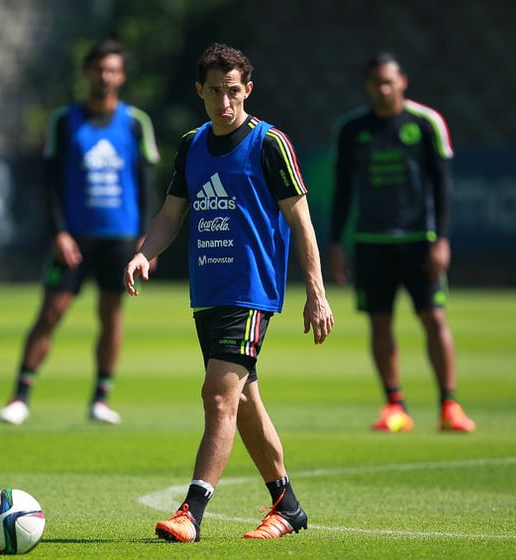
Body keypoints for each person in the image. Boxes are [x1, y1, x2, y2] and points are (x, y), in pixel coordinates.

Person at [124, 42, 334, 542]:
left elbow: (300, 220)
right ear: (200, 91)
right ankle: (288, 506)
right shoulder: (191, 145)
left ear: (248, 90)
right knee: (242, 403)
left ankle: (191, 511)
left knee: (218, 396)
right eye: (215, 91)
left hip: (251, 292)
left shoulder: (268, 144)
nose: (225, 102)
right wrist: (143, 253)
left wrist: (316, 292)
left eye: (233, 91)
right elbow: (171, 216)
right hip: (208, 294)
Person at [0, 39, 160, 426]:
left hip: (120, 237)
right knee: (51, 312)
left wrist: (146, 239)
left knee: (111, 314)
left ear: (121, 76)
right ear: (88, 72)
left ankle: (101, 397)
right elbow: (49, 183)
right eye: (100, 69)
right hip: (74, 237)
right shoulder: (64, 120)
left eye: (113, 70)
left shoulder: (136, 122)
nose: (106, 76)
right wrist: (58, 232)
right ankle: (20, 395)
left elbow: (148, 183)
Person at [329, 51, 476, 433]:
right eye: (376, 81)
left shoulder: (425, 123)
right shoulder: (351, 129)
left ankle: (450, 405)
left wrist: (441, 240)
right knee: (380, 322)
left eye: (389, 81)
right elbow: (343, 190)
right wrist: (336, 244)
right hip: (370, 240)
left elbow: (442, 186)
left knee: (434, 317)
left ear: (403, 81)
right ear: (367, 85)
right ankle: (395, 405)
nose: (383, 87)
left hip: (418, 239)